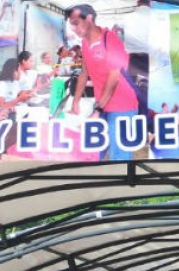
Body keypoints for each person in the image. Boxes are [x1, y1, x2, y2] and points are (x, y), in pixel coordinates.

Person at [66, 4, 140, 161]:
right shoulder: (85, 43)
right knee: (94, 151)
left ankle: (124, 182)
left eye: (76, 23)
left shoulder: (111, 39)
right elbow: (83, 74)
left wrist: (97, 109)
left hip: (122, 106)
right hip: (103, 104)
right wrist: (76, 102)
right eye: (71, 24)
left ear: (90, 19)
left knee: (119, 155)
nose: (73, 29)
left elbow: (114, 77)